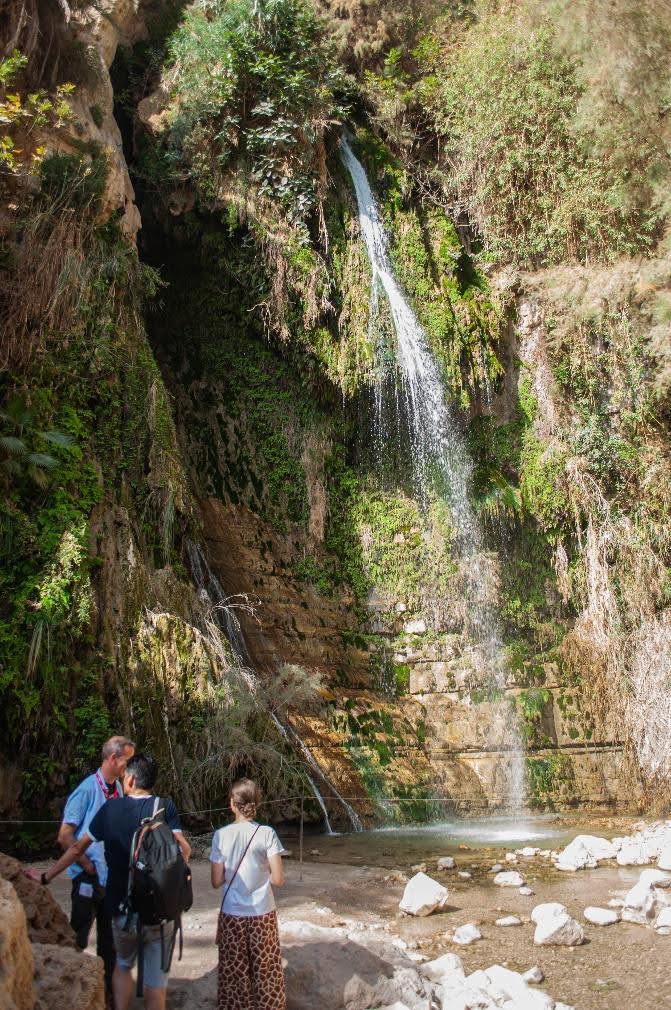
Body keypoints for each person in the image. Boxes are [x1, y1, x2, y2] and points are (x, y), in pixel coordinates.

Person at [26, 753, 191, 1010]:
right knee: (156, 983)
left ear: (131, 779)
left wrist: (47, 876)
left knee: (122, 966)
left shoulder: (110, 809)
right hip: (160, 908)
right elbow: (184, 850)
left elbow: (77, 848)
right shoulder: (164, 806)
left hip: (122, 906)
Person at [59, 735, 135, 994]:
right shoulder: (87, 789)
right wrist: (85, 862)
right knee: (78, 934)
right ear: (113, 758)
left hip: (110, 879)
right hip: (87, 878)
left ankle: (106, 996)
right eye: (127, 761)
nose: (129, 768)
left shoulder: (119, 790)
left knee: (109, 942)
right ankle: (69, 991)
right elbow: (65, 834)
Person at [210, 778, 286, 1010]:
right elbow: (278, 879)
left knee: (235, 974)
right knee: (267, 971)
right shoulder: (267, 833)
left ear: (232, 804)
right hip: (263, 913)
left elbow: (216, 881)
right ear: (256, 804)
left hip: (233, 914)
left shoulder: (221, 835)